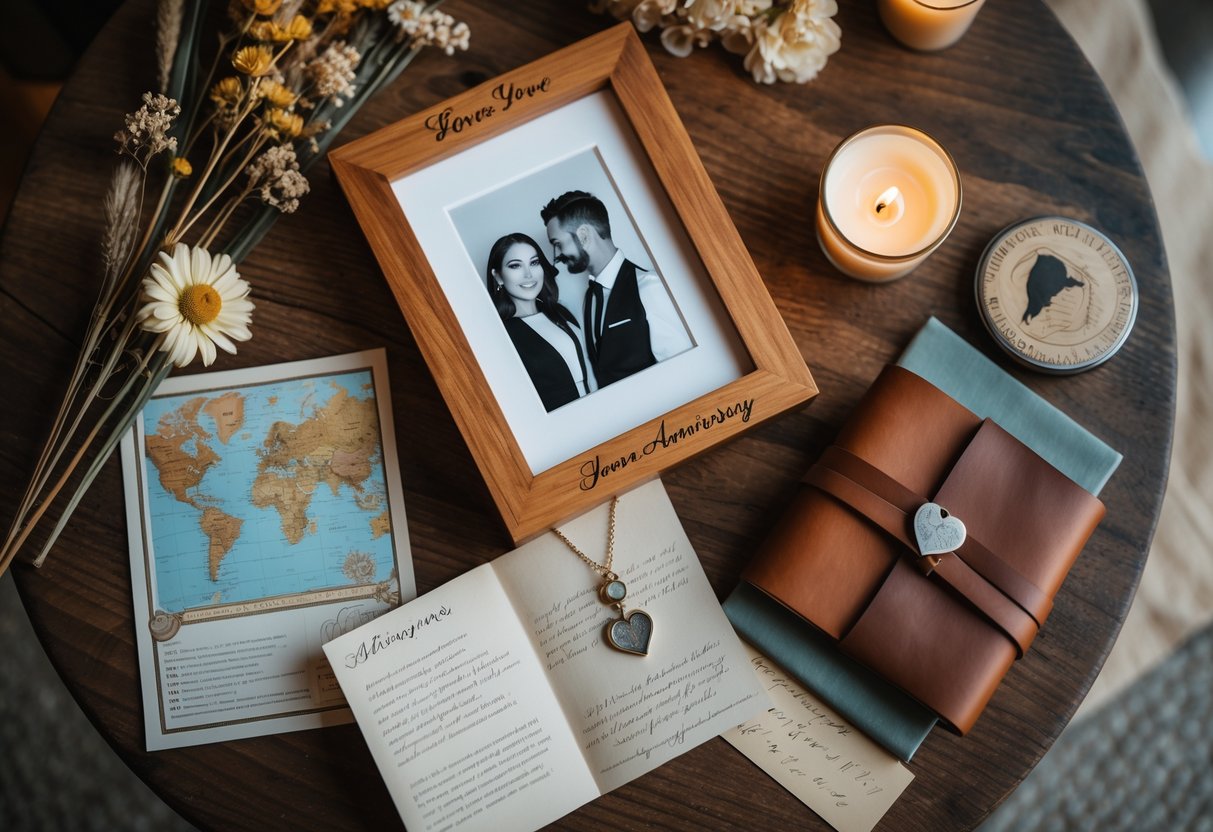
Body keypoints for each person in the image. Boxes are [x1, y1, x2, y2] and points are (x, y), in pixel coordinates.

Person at [541, 190, 692, 388]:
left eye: (558, 244)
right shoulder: (590, 298)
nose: (556, 256)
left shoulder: (649, 287)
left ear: (584, 235)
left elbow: (686, 374)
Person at [486, 232, 589, 412]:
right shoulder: (502, 335)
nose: (528, 274)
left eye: (534, 263)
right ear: (498, 276)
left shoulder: (560, 312)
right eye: (515, 266)